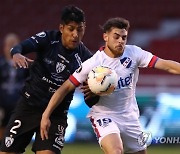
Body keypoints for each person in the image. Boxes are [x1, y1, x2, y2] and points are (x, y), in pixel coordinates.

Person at [40, 17, 180, 154]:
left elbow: (166, 65)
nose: (120, 41)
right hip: (104, 115)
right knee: (115, 150)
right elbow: (65, 88)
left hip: (130, 116)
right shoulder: (93, 63)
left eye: (123, 37)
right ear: (105, 37)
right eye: (116, 36)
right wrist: (46, 115)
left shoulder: (134, 53)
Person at [0, 5, 92, 154]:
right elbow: (20, 47)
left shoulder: (86, 58)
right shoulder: (48, 39)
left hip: (57, 113)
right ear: (61, 28)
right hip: (29, 106)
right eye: (71, 29)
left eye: (79, 29)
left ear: (84, 28)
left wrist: (94, 92)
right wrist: (16, 53)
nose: (75, 34)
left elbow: (91, 99)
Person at [0, 33, 28, 142]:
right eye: (9, 45)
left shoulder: (25, 64)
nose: (11, 48)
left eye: (14, 44)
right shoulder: (1, 64)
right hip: (2, 103)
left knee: (16, 128)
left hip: (18, 103)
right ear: (4, 47)